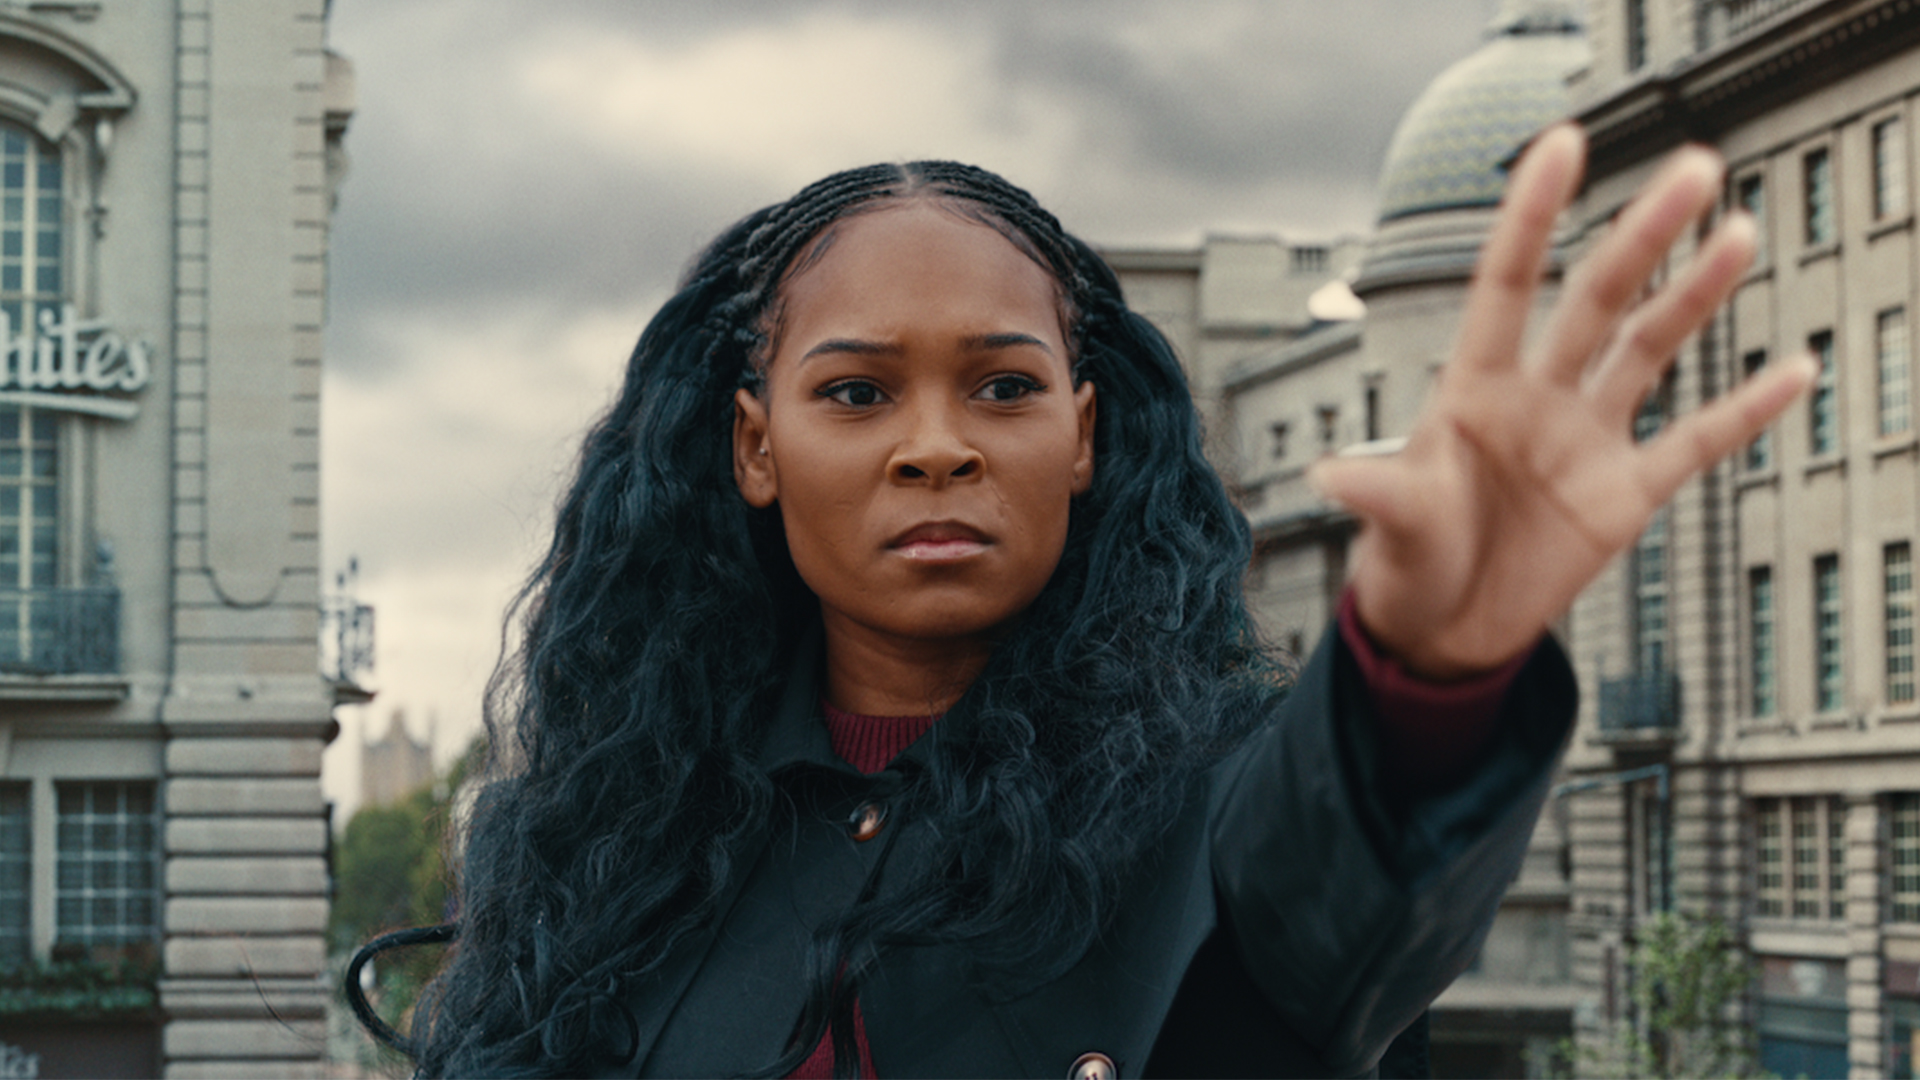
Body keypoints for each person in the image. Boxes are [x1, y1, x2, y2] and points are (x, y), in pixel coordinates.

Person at [348, 125, 1812, 1078]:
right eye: (857, 392)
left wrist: (1430, 663)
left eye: (1005, 384)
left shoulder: (1217, 806)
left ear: (1089, 435)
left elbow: (1349, 856)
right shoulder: (608, 850)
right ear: (754, 448)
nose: (938, 441)